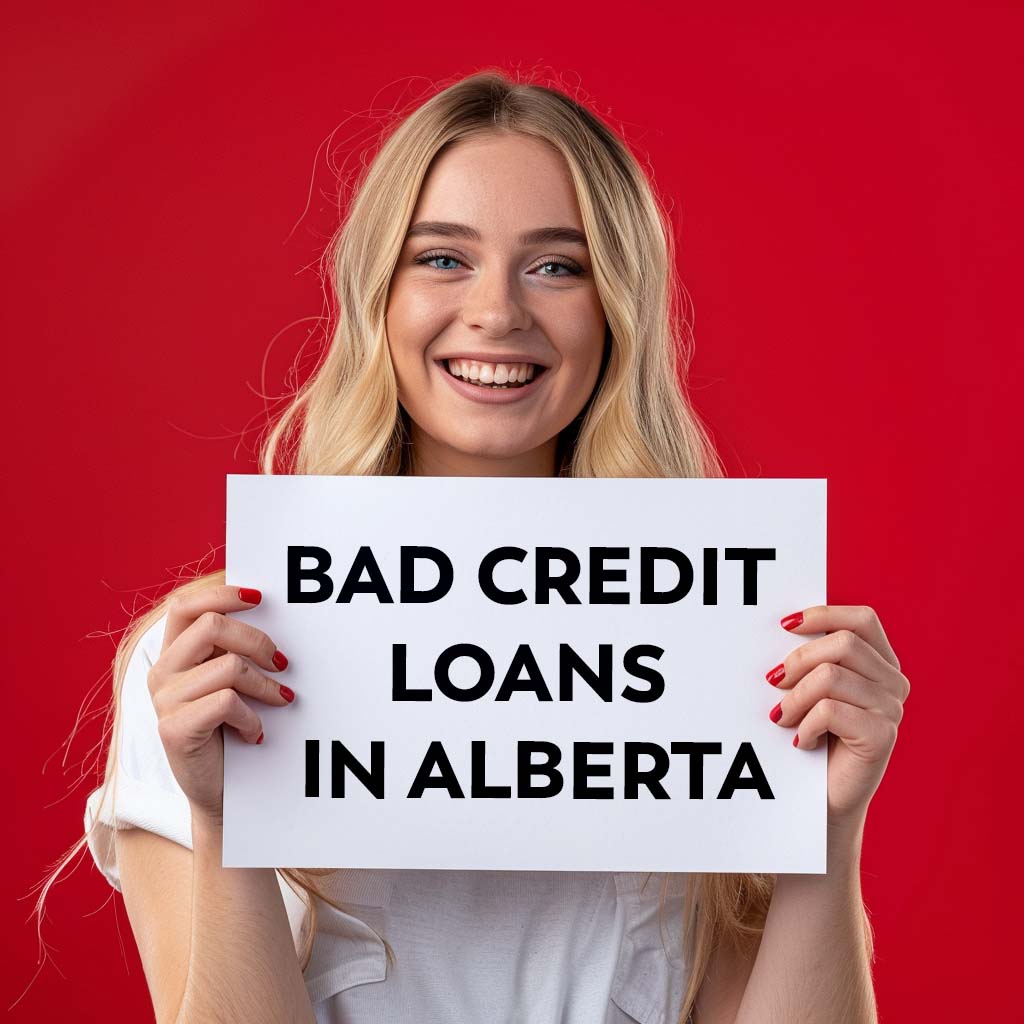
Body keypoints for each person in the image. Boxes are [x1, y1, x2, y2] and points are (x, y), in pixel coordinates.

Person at [51, 69, 908, 1023]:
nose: (498, 312)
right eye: (443, 260)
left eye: (557, 265)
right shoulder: (207, 669)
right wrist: (224, 817)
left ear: (616, 307)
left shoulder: (733, 654)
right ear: (378, 295)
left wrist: (826, 829)